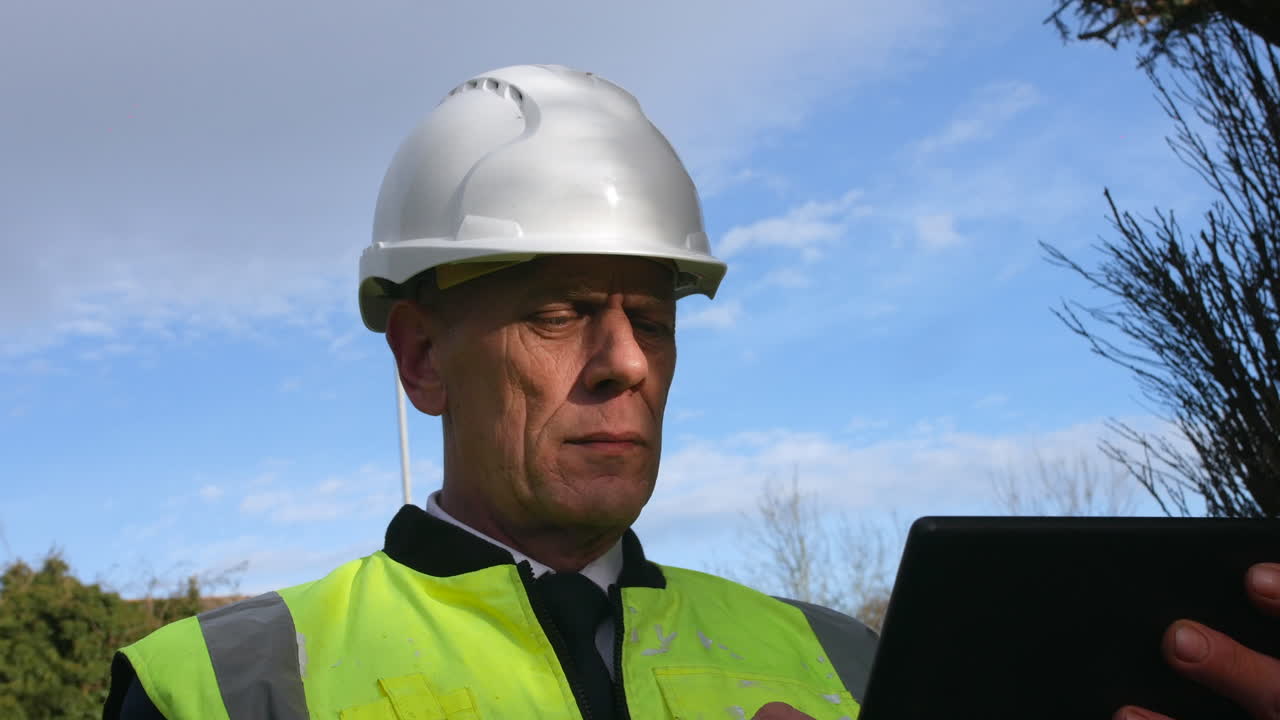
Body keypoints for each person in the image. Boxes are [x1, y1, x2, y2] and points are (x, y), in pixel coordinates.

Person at [101, 65, 1278, 720]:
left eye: (652, 319)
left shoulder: (850, 662)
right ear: (419, 358)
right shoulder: (219, 687)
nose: (625, 361)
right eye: (558, 312)